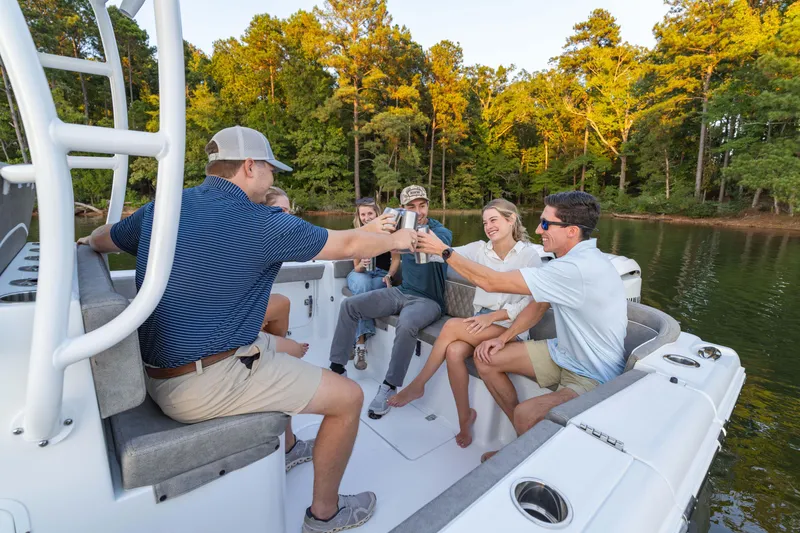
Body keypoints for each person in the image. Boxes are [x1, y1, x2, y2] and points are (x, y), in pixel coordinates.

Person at [78, 126, 417, 533]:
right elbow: (345, 246)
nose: (273, 179)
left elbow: (101, 239)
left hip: (158, 369)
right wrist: (398, 237)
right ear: (250, 166)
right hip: (201, 384)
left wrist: (83, 242)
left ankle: (289, 447)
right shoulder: (262, 222)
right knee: (348, 397)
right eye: (271, 170)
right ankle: (325, 515)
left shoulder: (163, 208)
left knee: (287, 345)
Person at [415, 191, 627, 462]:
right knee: (487, 358)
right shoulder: (569, 261)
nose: (539, 229)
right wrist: (505, 338)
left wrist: (443, 251)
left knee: (526, 412)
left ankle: (521, 455)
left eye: (546, 224)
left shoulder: (577, 268)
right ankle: (522, 441)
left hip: (593, 374)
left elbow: (491, 282)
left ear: (572, 231)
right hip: (562, 353)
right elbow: (539, 305)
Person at [388, 199, 541, 447]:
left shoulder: (529, 257)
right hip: (479, 321)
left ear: (511, 219)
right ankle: (464, 418)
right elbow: (443, 255)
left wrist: (494, 316)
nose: (488, 226)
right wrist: (416, 239)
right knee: (454, 350)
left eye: (494, 220)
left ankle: (418, 385)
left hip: (510, 326)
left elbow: (531, 304)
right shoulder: (480, 249)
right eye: (484, 222)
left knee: (450, 327)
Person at [328, 185, 453, 419]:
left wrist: (406, 230)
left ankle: (389, 385)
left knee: (406, 324)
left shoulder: (441, 231)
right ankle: (337, 369)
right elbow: (367, 237)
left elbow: (434, 242)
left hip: (429, 301)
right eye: (411, 207)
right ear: (404, 208)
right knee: (350, 305)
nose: (419, 210)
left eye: (422, 205)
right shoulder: (398, 225)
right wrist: (389, 221)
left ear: (428, 205)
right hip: (402, 291)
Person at [347, 197, 400, 370]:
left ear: (378, 213)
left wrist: (390, 276)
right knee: (363, 286)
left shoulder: (389, 233)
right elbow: (356, 267)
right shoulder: (357, 234)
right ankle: (360, 342)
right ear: (359, 216)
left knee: (373, 288)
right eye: (363, 214)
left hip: (381, 275)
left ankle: (355, 341)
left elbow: (396, 260)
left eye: (370, 213)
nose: (367, 217)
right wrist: (362, 265)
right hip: (360, 274)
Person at [261, 186, 309, 358]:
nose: (288, 217)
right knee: (294, 351)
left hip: (243, 304)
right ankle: (275, 347)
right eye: (282, 211)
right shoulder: (262, 236)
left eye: (289, 211)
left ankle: (272, 343)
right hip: (230, 311)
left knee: (283, 303)